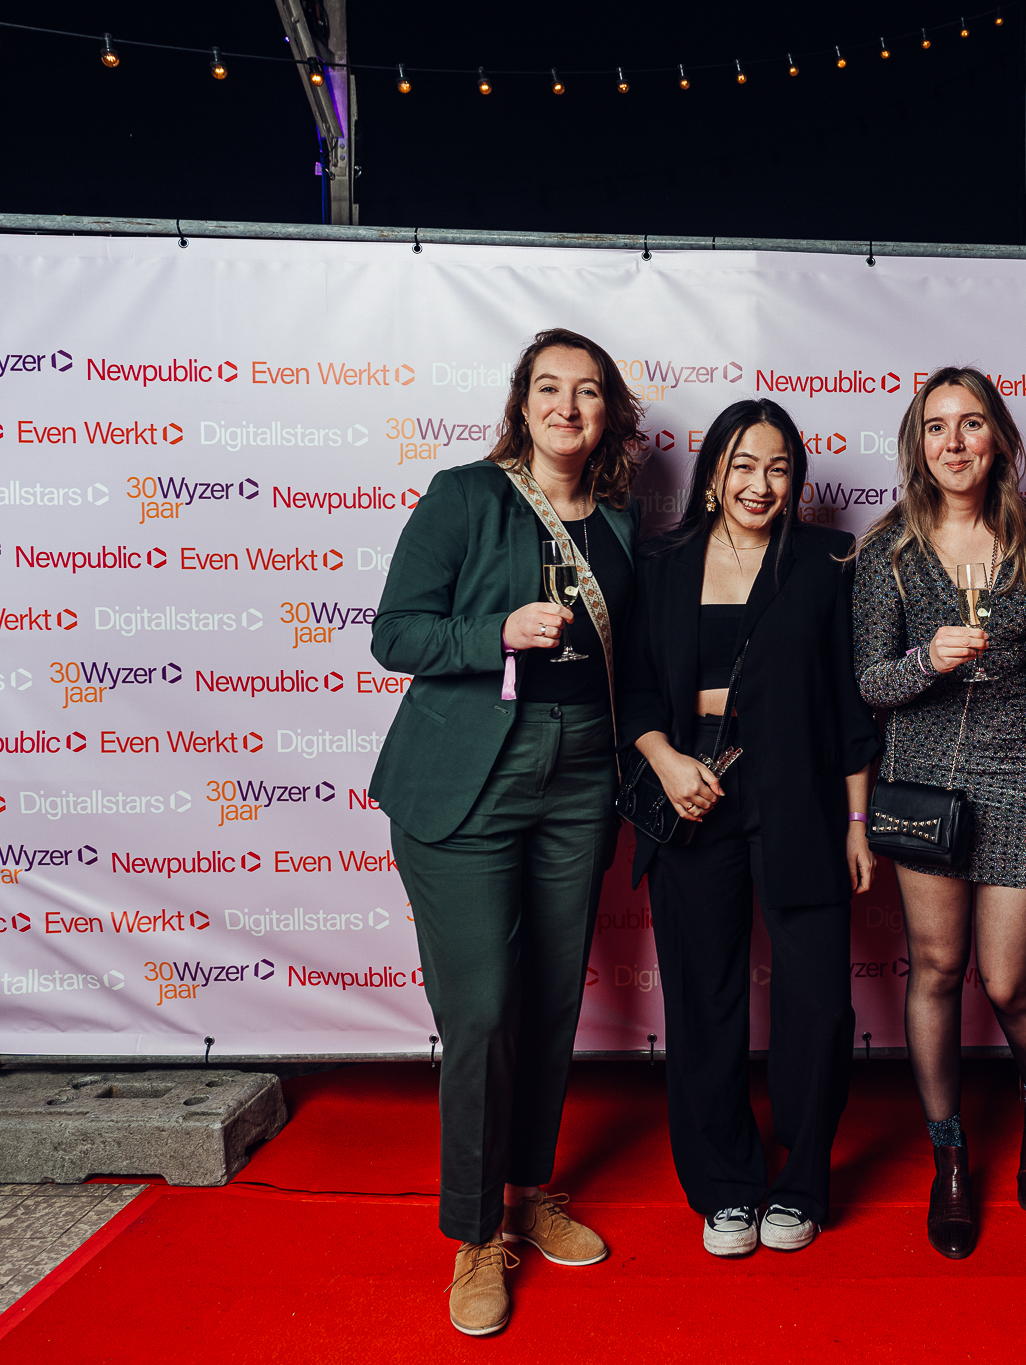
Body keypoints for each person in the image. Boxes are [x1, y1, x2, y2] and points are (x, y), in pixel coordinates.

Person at [369, 327, 641, 1337]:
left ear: (608, 413)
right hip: (467, 778)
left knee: (551, 997)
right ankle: (476, 1231)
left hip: (580, 777)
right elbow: (394, 633)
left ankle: (529, 1191)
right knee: (482, 1010)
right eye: (549, 388)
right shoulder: (465, 496)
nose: (567, 407)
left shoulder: (621, 527)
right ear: (521, 403)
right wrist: (497, 634)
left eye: (587, 392)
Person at [619, 398, 880, 1257]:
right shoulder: (662, 563)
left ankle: (802, 1178)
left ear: (795, 478)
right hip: (692, 793)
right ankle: (725, 1184)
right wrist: (664, 758)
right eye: (742, 465)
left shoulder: (826, 562)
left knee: (818, 1000)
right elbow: (633, 687)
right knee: (704, 995)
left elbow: (847, 704)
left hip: (800, 796)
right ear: (712, 477)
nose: (759, 483)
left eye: (777, 467)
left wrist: (856, 822)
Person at [853, 365, 1026, 1260]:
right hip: (923, 781)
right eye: (936, 426)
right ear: (919, 445)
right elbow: (869, 684)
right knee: (937, 970)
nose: (954, 441)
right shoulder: (888, 552)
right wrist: (927, 660)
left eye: (971, 423)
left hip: (1019, 773)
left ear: (999, 439)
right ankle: (949, 1155)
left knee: (1009, 981)